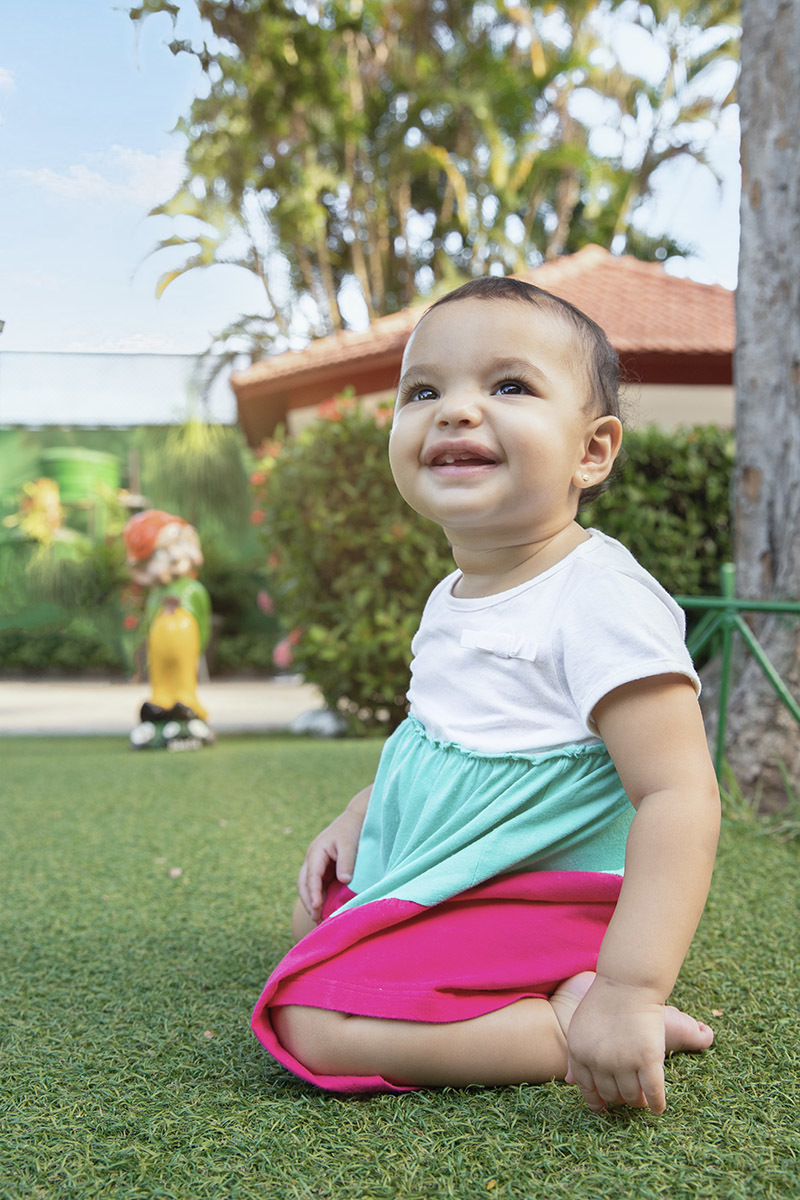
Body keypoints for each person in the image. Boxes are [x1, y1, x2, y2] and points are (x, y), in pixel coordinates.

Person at [251, 276, 720, 1113]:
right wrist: (363, 813)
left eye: (508, 386)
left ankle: (566, 1022)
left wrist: (630, 988)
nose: (456, 411)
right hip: (460, 867)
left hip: (540, 890)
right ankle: (519, 991)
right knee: (313, 913)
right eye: (424, 391)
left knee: (311, 1020)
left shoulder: (600, 600)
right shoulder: (454, 594)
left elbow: (678, 795)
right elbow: (444, 733)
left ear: (592, 452)